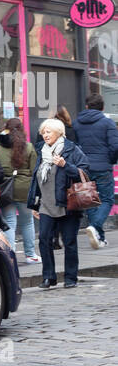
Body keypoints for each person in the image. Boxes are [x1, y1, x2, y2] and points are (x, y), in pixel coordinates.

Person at [28, 117, 90, 289]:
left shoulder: (72, 150)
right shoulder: (42, 152)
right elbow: (37, 178)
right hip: (46, 204)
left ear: (58, 133)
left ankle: (71, 277)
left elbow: (84, 172)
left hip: (67, 203)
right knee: (44, 240)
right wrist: (34, 204)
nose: (45, 135)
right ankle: (49, 277)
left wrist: (65, 165)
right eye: (43, 132)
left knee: (69, 241)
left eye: (48, 132)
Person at [72, 91, 118, 249]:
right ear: (102, 107)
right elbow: (115, 146)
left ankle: (99, 238)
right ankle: (96, 226)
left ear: (86, 106)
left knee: (90, 201)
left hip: (84, 167)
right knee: (107, 199)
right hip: (103, 166)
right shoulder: (108, 123)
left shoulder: (76, 123)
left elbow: (73, 146)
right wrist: (111, 161)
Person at [0, 118, 39, 262]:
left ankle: (10, 257)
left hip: (5, 188)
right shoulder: (29, 146)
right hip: (24, 188)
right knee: (27, 221)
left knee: (9, 221)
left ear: (5, 128)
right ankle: (30, 255)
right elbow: (34, 171)